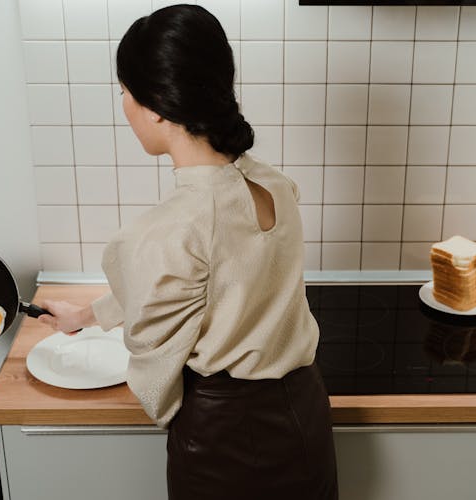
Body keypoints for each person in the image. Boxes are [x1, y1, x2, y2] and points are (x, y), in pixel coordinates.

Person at [36, 4, 338, 500]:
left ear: (155, 104)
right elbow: (214, 280)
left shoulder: (168, 230)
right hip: (304, 415)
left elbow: (155, 383)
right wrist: (88, 316)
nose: (125, 108)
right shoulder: (273, 184)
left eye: (124, 94)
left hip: (226, 444)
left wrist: (184, 409)